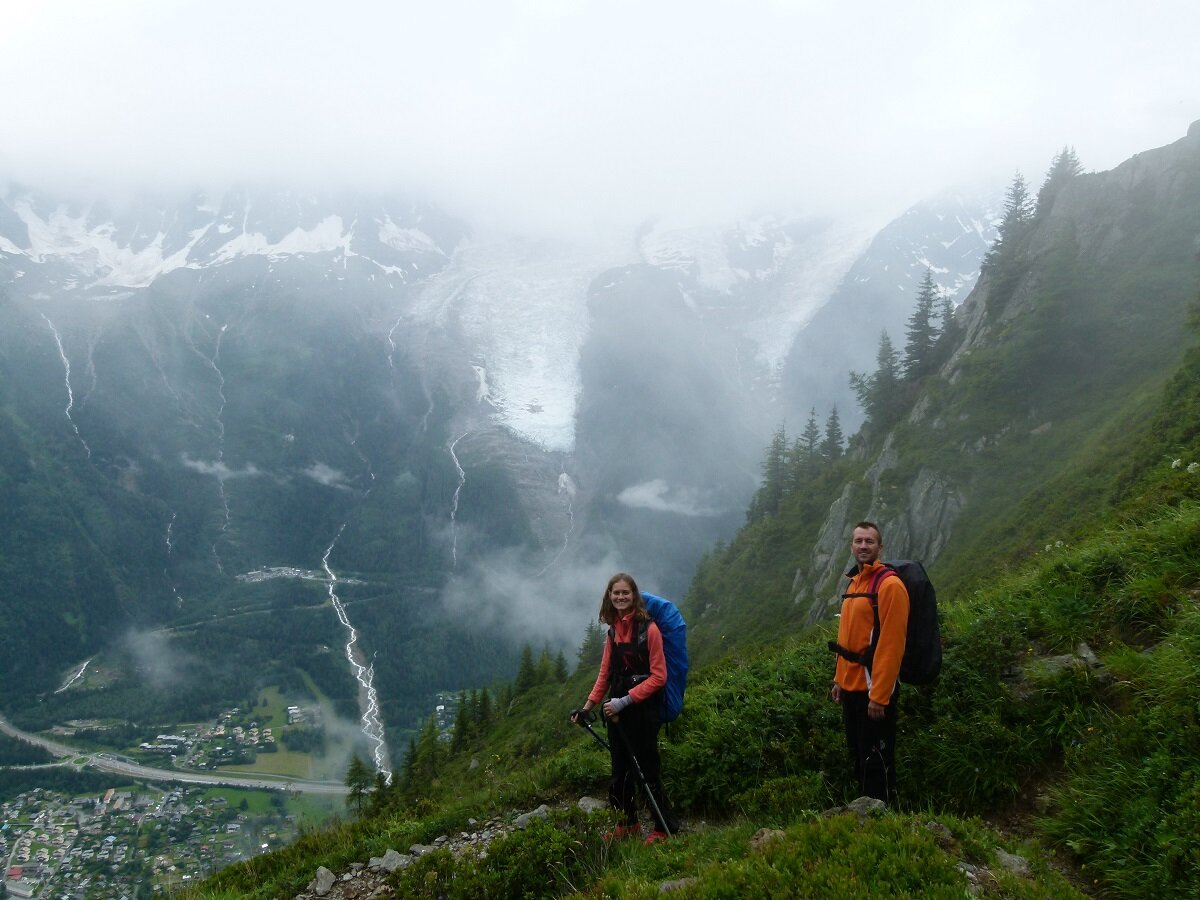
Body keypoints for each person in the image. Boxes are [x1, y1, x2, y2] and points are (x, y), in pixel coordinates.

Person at [570, 572, 676, 843]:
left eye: (625, 593)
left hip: (642, 710)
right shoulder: (614, 631)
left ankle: (664, 828)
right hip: (616, 713)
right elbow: (605, 674)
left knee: (648, 769)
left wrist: (625, 700)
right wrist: (587, 707)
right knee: (620, 771)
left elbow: (659, 677)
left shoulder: (649, 630)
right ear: (609, 596)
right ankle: (627, 824)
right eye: (615, 593)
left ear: (634, 596)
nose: (620, 597)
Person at [830, 521, 910, 805]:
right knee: (858, 753)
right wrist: (839, 679)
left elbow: (891, 645)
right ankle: (864, 815)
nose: (863, 546)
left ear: (880, 547)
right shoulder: (854, 582)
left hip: (874, 691)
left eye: (869, 541)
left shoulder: (890, 585)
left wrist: (880, 696)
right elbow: (847, 639)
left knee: (876, 759)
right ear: (852, 545)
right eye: (858, 541)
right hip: (851, 688)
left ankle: (883, 817)